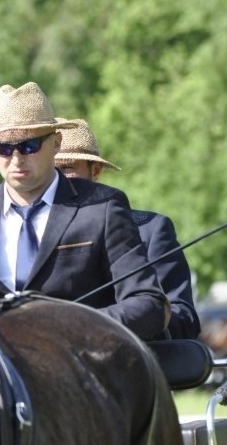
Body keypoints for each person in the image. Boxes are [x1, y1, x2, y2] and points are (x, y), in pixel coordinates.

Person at [0, 82, 170, 340]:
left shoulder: (103, 208)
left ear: (56, 142)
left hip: (79, 369)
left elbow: (148, 303)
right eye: (4, 148)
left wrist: (72, 330)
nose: (17, 158)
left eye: (29, 145)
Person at [53, 118, 200, 340]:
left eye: (67, 168)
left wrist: (138, 321)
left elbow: (184, 316)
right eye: (51, 171)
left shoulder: (151, 230)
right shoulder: (26, 234)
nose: (58, 180)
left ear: (96, 170)